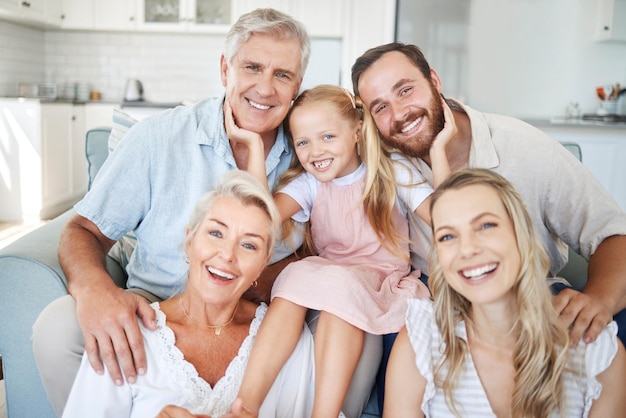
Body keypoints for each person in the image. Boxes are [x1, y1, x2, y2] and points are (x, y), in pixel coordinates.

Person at [31, 8, 311, 416]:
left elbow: (325, 245)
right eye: (252, 67)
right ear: (224, 69)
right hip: (156, 303)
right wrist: (95, 290)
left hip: (264, 312)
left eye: (282, 75)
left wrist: (263, 283)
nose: (265, 88)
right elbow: (83, 229)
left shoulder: (314, 152)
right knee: (57, 330)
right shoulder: (158, 138)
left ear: (297, 85)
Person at [351, 43, 626, 347]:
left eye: (405, 90)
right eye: (380, 107)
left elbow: (611, 233)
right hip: (434, 299)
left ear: (434, 80)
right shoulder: (386, 163)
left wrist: (598, 299)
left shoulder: (523, 146)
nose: (400, 113)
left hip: (524, 296)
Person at [224, 84, 453, 417]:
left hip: (381, 281)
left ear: (357, 132)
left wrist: (440, 150)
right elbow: (260, 216)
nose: (315, 151)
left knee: (337, 291)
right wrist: (255, 147)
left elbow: (446, 213)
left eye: (327, 137)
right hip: (331, 276)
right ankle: (245, 405)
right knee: (294, 277)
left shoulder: (391, 172)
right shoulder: (309, 183)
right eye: (303, 142)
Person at [62, 170, 314, 418]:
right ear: (190, 241)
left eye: (249, 245)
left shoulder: (286, 338)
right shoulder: (124, 333)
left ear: (263, 263)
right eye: (216, 233)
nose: (227, 254)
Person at [384, 168, 626, 417]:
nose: (467, 249)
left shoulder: (597, 352)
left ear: (520, 235)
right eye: (447, 236)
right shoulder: (422, 340)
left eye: (486, 225)